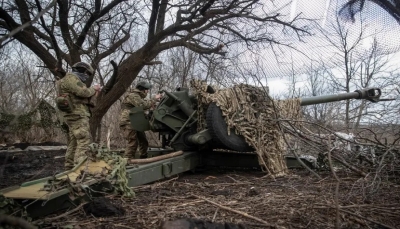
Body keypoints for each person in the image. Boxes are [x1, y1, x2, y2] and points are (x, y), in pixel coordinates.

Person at [56, 62, 101, 170]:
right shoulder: (71, 79)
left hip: (71, 115)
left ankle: (69, 165)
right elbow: (84, 92)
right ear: (83, 71)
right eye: (87, 74)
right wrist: (94, 89)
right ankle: (80, 169)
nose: (87, 76)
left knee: (74, 141)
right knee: (84, 140)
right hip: (77, 114)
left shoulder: (64, 80)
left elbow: (78, 96)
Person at [119, 81, 161, 159]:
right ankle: (127, 161)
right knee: (133, 142)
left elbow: (140, 109)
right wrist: (154, 99)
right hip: (128, 121)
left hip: (135, 121)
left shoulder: (138, 97)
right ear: (143, 89)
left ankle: (143, 158)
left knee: (143, 141)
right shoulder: (133, 95)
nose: (148, 91)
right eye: (147, 89)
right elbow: (142, 105)